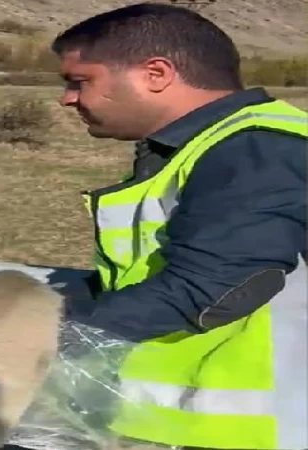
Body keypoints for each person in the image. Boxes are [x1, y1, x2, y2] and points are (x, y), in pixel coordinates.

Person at [50, 3, 307, 450]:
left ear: (156, 73)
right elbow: (150, 276)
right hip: (184, 424)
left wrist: (35, 332)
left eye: (80, 81)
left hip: (256, 432)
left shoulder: (255, 149)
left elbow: (216, 286)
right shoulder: (201, 148)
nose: (67, 98)